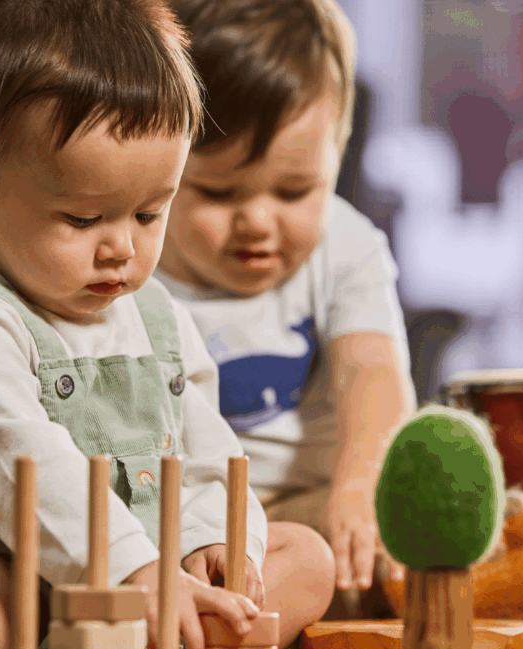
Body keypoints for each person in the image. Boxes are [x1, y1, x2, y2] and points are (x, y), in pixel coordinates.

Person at [0, 0, 334, 649]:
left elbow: (208, 444)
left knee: (306, 559)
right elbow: (22, 467)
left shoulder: (156, 315)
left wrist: (213, 539)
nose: (122, 246)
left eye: (150, 212)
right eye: (83, 217)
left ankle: (153, 629)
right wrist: (134, 574)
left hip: (146, 554)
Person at [156, 0, 417, 612]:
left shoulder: (346, 246)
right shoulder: (131, 259)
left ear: (337, 153)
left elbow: (373, 371)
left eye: (295, 190)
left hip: (313, 505)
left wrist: (358, 486)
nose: (257, 221)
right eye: (218, 192)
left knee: (399, 551)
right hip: (183, 518)